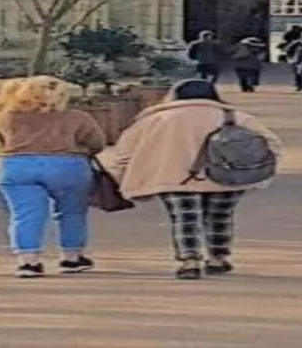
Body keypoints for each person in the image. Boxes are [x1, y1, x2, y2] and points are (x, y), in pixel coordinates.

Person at [101, 79, 282, 280]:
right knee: (221, 216)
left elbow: (125, 153)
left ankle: (190, 261)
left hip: (172, 177)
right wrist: (261, 172)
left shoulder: (155, 119)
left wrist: (116, 178)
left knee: (185, 217)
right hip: (226, 175)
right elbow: (271, 144)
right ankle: (218, 258)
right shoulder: (234, 116)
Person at [0, 75, 105, 278]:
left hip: (18, 165)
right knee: (71, 212)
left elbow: (1, 141)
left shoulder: (5, 117)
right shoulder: (77, 117)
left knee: (25, 214)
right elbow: (97, 143)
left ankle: (28, 261)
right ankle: (71, 257)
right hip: (68, 165)